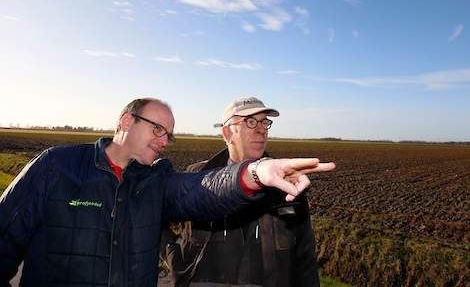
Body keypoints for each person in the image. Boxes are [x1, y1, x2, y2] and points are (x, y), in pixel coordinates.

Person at [0, 97, 335, 287]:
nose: (164, 140)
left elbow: (202, 190)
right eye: (157, 128)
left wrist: (257, 173)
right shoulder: (56, 167)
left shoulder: (156, 180)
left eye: (169, 134)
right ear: (126, 122)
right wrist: (178, 262)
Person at [165, 97, 322, 287]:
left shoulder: (287, 182)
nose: (262, 129)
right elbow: (153, 215)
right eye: (251, 121)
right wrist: (176, 264)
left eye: (265, 122)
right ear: (226, 133)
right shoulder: (197, 176)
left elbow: (304, 254)